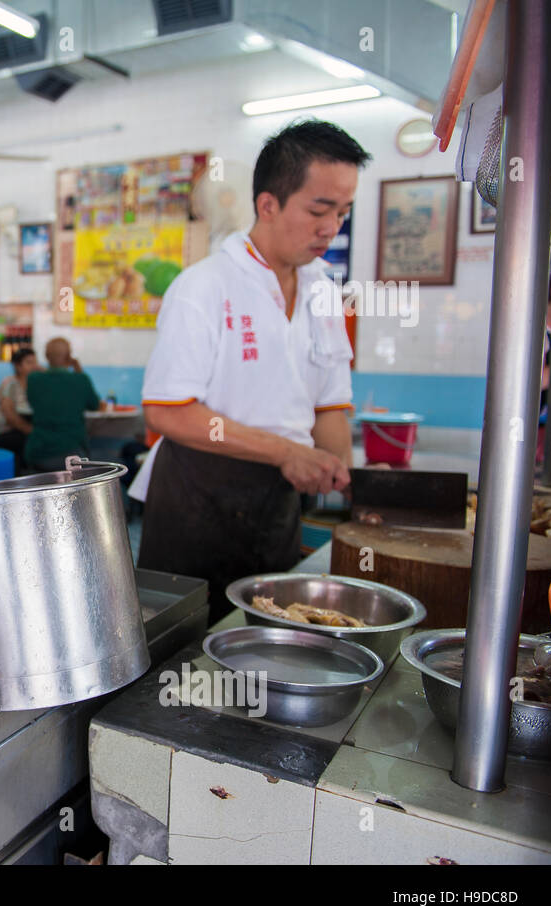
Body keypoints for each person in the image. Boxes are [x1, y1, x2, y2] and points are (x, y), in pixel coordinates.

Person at [133, 119, 369, 621]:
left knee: (271, 640)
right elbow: (167, 413)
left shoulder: (325, 292)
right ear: (268, 204)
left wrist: (343, 475)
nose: (331, 227)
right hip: (198, 500)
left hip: (276, 503)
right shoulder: (205, 287)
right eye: (318, 210)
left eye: (343, 212)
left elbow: (329, 405)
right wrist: (285, 451)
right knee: (184, 661)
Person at [24, 338, 101, 472]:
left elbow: (32, 401)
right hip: (72, 454)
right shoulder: (81, 380)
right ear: (69, 356)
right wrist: (78, 370)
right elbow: (95, 405)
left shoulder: (33, 379)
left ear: (46, 356)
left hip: (39, 452)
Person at [0, 347, 38, 469]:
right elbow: (11, 417)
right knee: (33, 442)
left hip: (22, 430)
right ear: (18, 366)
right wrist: (32, 432)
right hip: (4, 432)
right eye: (29, 362)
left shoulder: (34, 384)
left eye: (35, 362)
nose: (34, 366)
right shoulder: (10, 384)